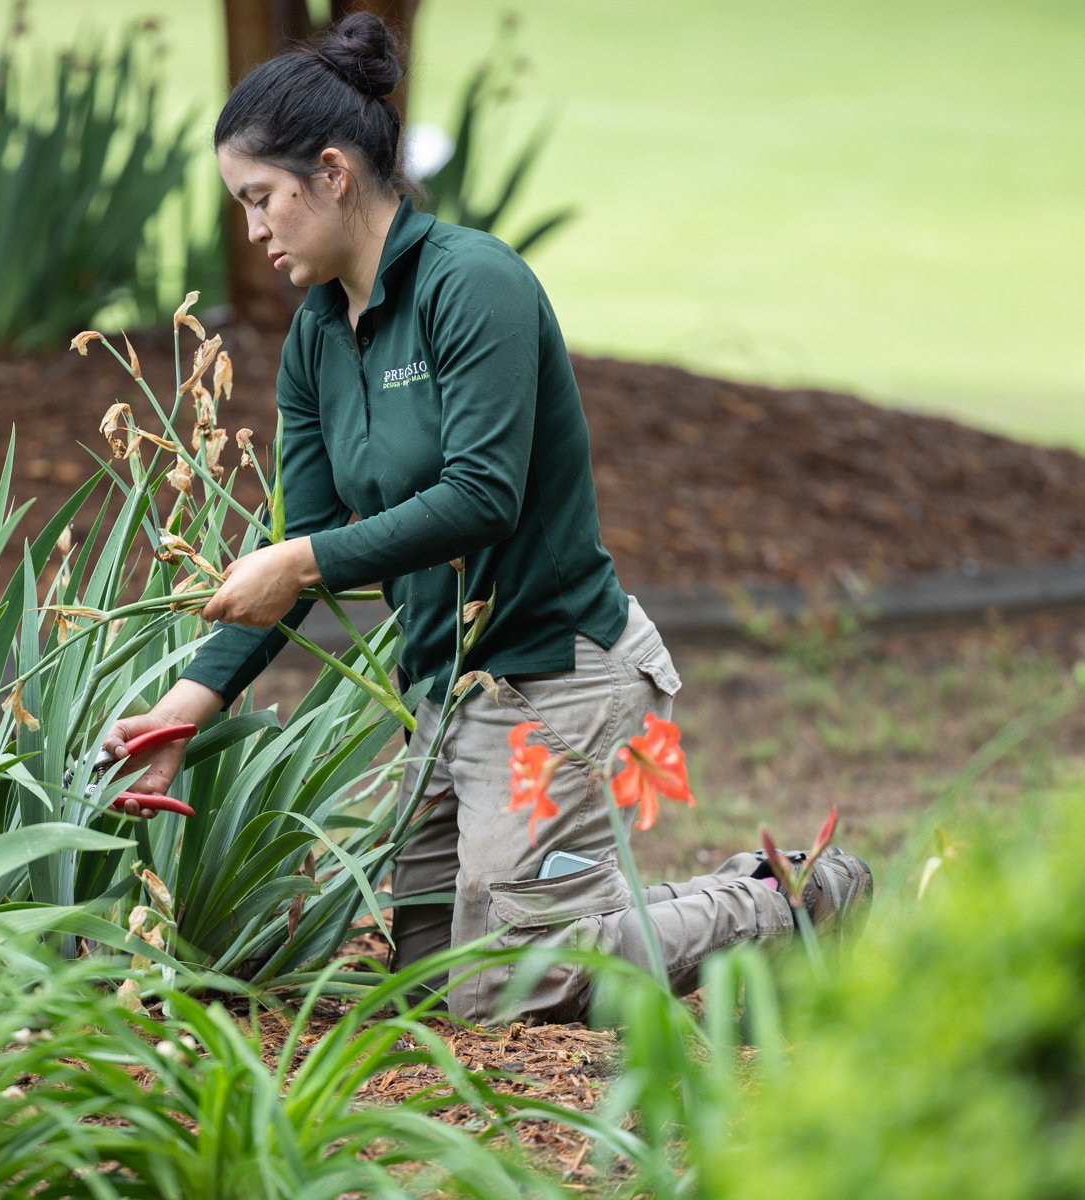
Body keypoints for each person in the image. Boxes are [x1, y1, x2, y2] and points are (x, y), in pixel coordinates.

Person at [104, 13, 871, 1025]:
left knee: (517, 980)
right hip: (448, 696)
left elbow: (481, 497)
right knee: (435, 980)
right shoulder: (317, 341)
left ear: (331, 173)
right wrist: (188, 705)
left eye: (260, 198)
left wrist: (297, 558)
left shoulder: (475, 287)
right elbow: (306, 543)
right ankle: (753, 889)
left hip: (559, 678)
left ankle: (806, 899)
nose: (250, 229)